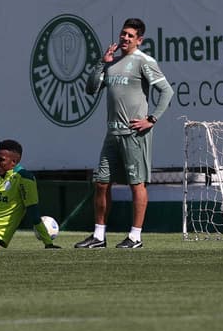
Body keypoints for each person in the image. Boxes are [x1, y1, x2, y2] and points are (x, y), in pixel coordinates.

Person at [74, 18, 174, 249]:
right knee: (101, 183)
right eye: (123, 34)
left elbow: (167, 91)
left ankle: (135, 237)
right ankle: (99, 236)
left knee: (136, 185)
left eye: (130, 35)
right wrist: (102, 62)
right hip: (112, 134)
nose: (125, 38)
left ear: (139, 40)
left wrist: (151, 119)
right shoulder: (112, 63)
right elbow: (90, 89)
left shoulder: (144, 61)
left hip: (134, 134)